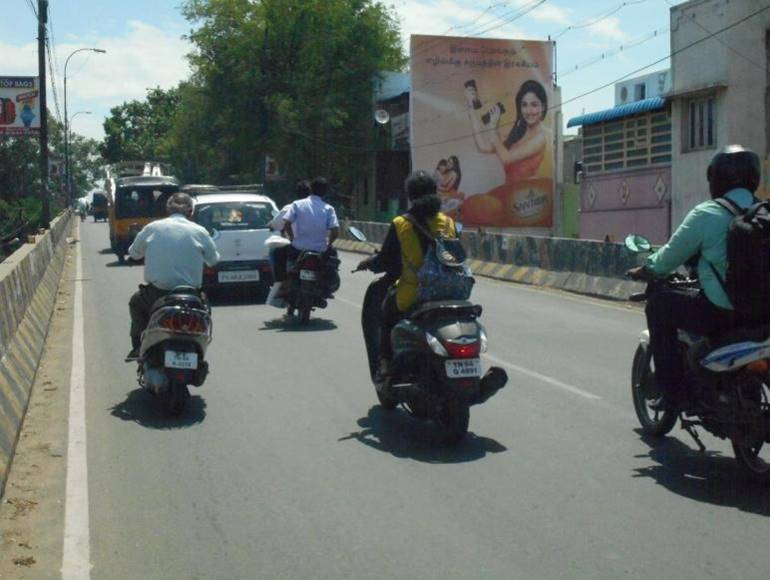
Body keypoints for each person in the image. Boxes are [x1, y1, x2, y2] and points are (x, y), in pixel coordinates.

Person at [627, 145, 762, 411]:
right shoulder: (764, 213)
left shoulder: (708, 213)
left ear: (716, 178)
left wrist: (647, 269)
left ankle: (672, 391)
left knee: (659, 307)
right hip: (763, 314)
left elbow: (668, 258)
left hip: (723, 313)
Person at [356, 171, 457, 377]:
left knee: (386, 313)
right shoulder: (448, 223)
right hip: (452, 293)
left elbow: (386, 260)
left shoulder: (402, 223)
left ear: (410, 195)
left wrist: (370, 263)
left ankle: (384, 362)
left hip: (414, 295)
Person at [125, 192, 220, 360]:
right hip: (191, 296)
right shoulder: (200, 231)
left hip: (157, 294)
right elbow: (213, 260)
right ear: (190, 212)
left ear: (168, 209)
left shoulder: (153, 228)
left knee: (136, 302)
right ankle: (200, 346)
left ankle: (138, 347)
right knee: (205, 312)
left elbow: (134, 253)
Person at [463, 79, 552, 225]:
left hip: (527, 204)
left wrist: (493, 128)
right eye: (524, 105)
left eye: (534, 105)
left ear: (543, 106)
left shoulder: (540, 139)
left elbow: (506, 158)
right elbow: (482, 146)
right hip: (508, 199)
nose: (529, 111)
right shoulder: (515, 135)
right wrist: (470, 107)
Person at [270, 177, 340, 300]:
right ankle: (327, 287)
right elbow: (335, 230)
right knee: (332, 258)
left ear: (311, 189)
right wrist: (328, 244)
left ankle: (283, 285)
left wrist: (292, 238)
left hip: (298, 248)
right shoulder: (329, 208)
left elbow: (286, 223)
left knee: (278, 252)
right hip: (320, 250)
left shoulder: (297, 205)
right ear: (325, 192)